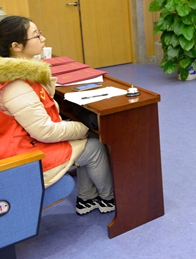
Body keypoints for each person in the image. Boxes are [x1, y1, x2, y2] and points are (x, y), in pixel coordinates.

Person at [0, 15, 115, 215]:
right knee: (94, 146)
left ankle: (87, 199)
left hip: (22, 142)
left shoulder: (16, 74)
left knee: (84, 139)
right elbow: (45, 131)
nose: (43, 39)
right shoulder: (16, 85)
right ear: (16, 46)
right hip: (23, 156)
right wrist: (82, 129)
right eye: (36, 35)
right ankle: (108, 198)